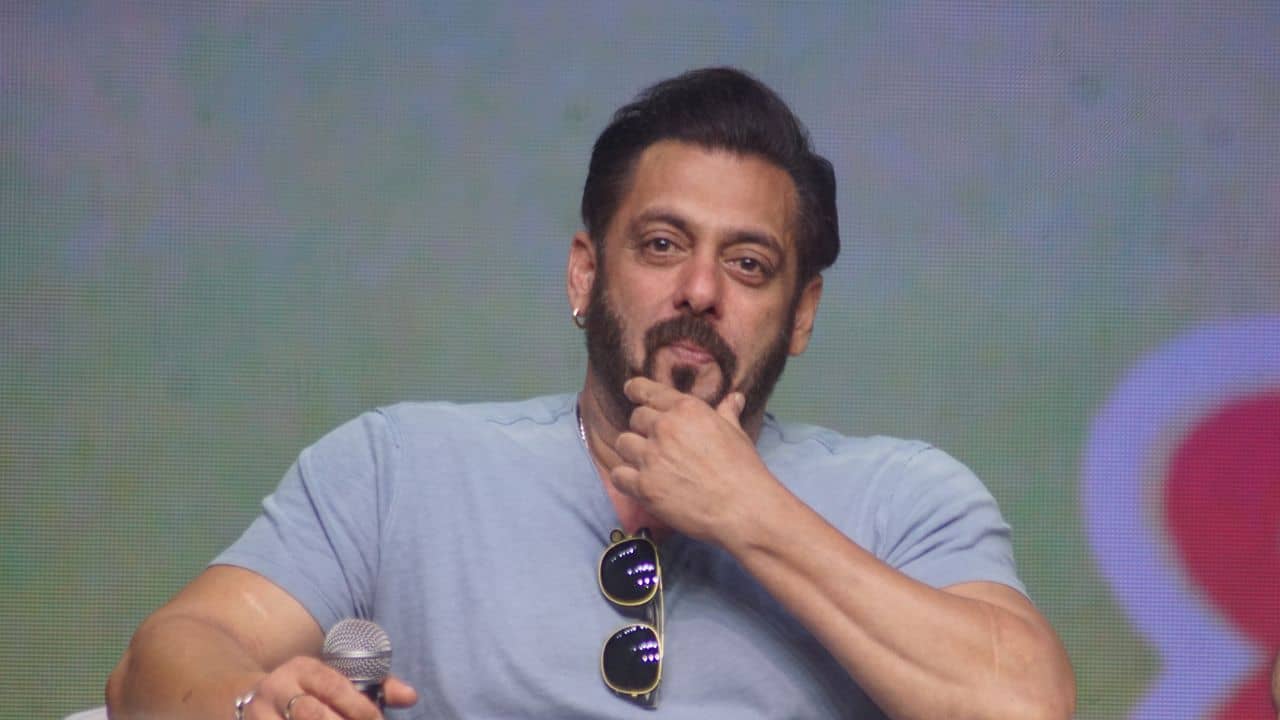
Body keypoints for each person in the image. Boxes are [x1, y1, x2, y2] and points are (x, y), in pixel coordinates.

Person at [106, 67, 1075, 719]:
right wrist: (253, 704)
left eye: (748, 263)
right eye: (661, 245)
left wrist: (749, 511)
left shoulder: (903, 497)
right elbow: (165, 658)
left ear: (801, 314)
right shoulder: (399, 467)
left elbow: (1025, 704)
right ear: (585, 273)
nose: (699, 289)